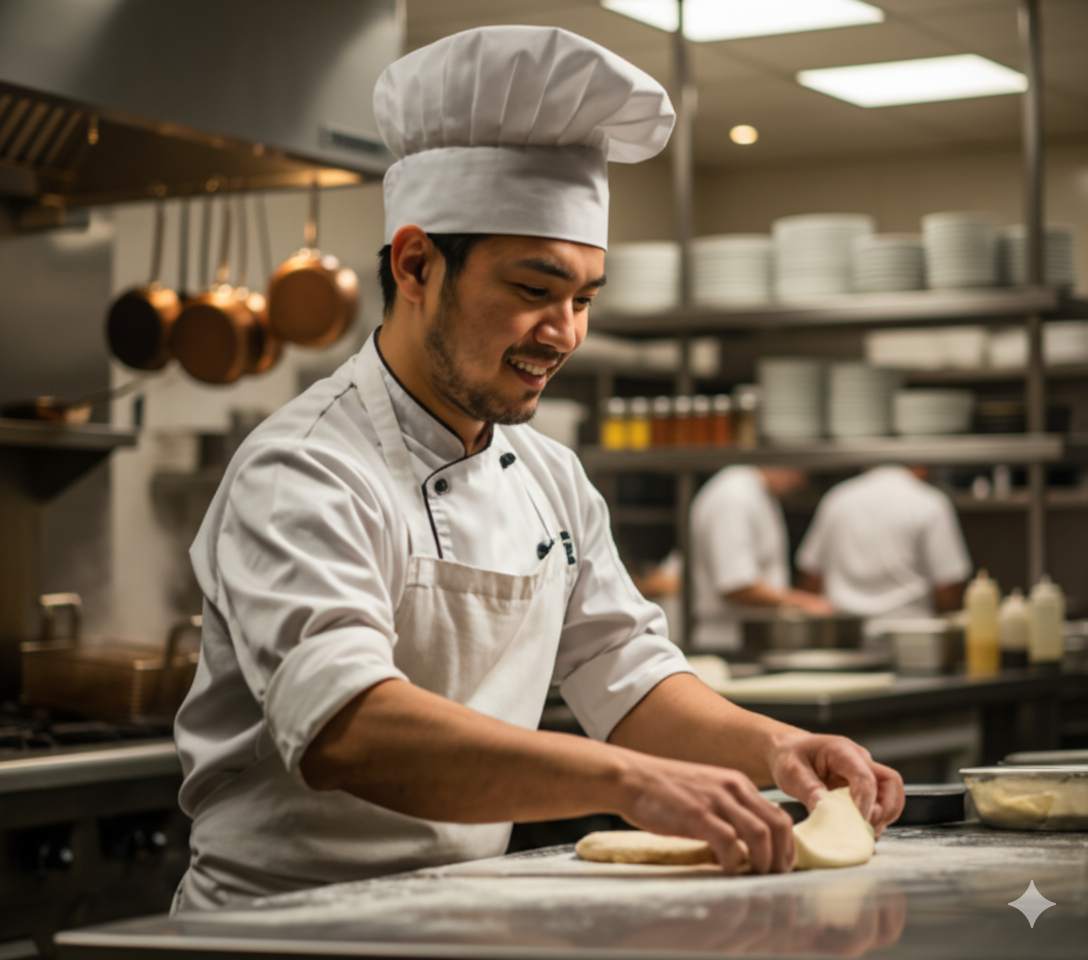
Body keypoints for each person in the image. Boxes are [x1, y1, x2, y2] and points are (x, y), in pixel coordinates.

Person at [172, 26, 904, 911]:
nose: (564, 334)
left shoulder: (548, 475)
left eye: (584, 299)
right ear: (415, 265)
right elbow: (346, 729)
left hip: (460, 911)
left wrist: (775, 746)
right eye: (532, 290)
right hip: (280, 923)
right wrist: (630, 782)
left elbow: (623, 669)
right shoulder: (306, 467)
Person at [796, 465, 972, 622]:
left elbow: (811, 576)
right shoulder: (930, 502)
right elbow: (948, 588)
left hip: (845, 632)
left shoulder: (837, 498)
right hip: (910, 633)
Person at [690, 465, 835, 652]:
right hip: (727, 643)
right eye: (798, 469)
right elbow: (735, 585)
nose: (801, 481)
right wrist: (806, 602)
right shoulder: (734, 496)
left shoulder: (759, 494)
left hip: (750, 640)